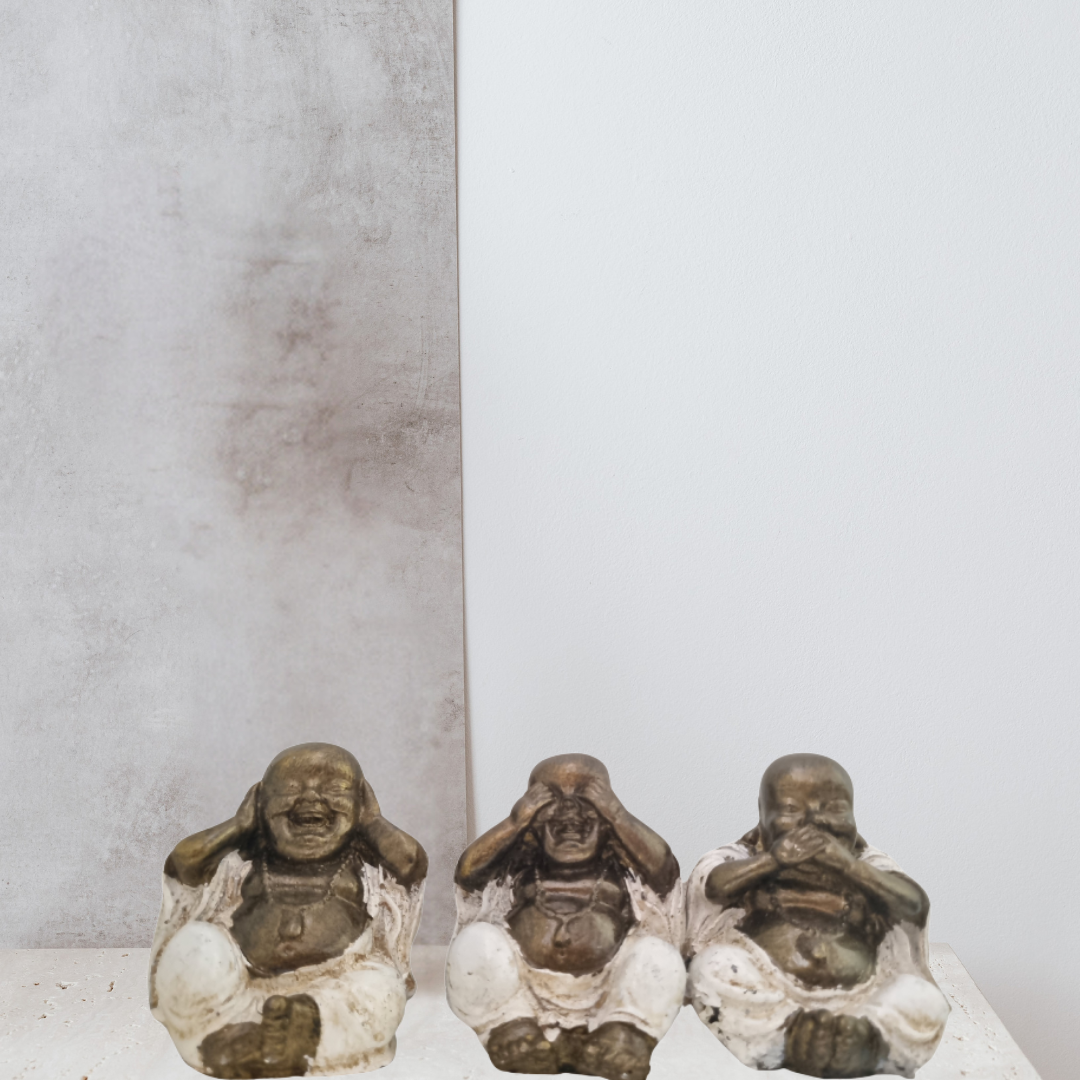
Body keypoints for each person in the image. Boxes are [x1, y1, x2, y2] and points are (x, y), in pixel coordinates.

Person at [150, 743, 427, 1077]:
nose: (311, 798)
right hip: (243, 987)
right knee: (195, 945)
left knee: (380, 990)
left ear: (360, 804)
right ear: (260, 804)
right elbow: (184, 863)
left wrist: (374, 822)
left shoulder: (361, 862)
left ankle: (306, 1031)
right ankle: (227, 1032)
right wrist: (237, 826)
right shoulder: (246, 860)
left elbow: (411, 862)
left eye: (334, 788)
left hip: (335, 987)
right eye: (291, 789)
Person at [685, 753, 949, 1078]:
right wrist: (772, 861)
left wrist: (850, 868)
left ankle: (865, 1040)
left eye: (835, 808)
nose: (815, 822)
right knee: (713, 968)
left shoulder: (865, 860)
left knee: (922, 1000)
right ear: (762, 814)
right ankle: (789, 1039)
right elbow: (711, 885)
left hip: (862, 993)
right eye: (792, 809)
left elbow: (913, 904)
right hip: (771, 992)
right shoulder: (745, 855)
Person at [445, 754, 686, 1080]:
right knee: (476, 943)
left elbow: (664, 871)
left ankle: (623, 1031)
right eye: (553, 798)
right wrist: (515, 821)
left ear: (606, 822)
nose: (569, 810)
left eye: (586, 796)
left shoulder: (619, 866)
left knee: (659, 956)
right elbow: (468, 873)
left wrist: (617, 813)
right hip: (525, 985)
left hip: (606, 985)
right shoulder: (521, 865)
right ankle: (511, 1027)